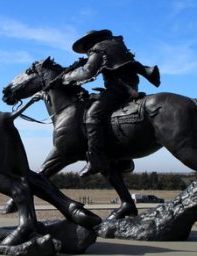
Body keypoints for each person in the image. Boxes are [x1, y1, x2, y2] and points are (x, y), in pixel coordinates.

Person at [61, 29, 161, 177]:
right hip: (129, 86)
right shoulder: (114, 44)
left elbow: (87, 72)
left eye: (86, 46)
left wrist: (66, 77)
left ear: (90, 41)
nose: (87, 50)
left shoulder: (99, 48)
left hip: (118, 88)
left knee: (92, 115)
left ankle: (96, 159)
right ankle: (124, 158)